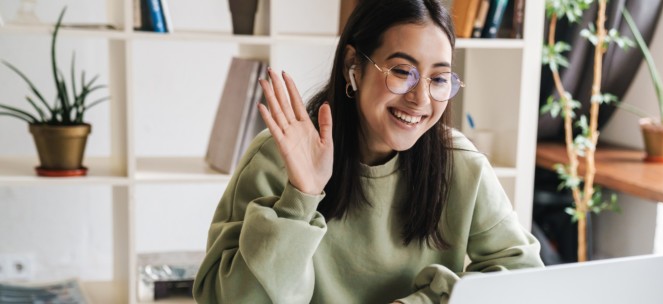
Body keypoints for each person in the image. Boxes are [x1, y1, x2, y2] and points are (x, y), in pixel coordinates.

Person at [193, 0, 543, 302]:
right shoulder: (277, 158)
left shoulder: (460, 165)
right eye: (402, 72)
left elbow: (524, 279)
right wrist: (301, 198)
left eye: (438, 79)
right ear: (353, 66)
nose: (420, 99)